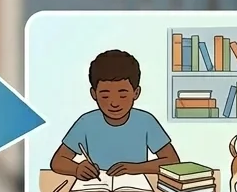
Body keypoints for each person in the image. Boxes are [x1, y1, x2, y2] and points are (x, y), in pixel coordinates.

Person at [49, 50, 181, 180]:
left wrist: (134, 169)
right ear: (94, 94)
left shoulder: (146, 121)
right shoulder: (86, 122)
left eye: (123, 94)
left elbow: (172, 161)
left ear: (136, 93)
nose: (114, 103)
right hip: (97, 189)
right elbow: (57, 161)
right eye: (105, 95)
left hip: (136, 190)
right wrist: (77, 169)